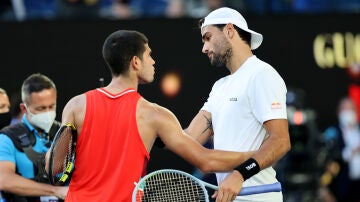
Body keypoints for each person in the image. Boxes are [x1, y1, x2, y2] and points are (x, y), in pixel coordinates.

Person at [51, 29, 262, 202]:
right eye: (149, 55)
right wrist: (259, 156)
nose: (153, 61)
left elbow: (54, 167)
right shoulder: (155, 115)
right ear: (135, 62)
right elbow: (206, 160)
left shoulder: (75, 105)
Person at [185, 7, 291, 201]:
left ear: (229, 30)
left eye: (208, 38)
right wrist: (147, 122)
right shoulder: (220, 86)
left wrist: (240, 174)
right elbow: (187, 138)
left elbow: (281, 141)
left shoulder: (262, 75)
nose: (204, 48)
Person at [0, 74, 68, 202]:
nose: (48, 112)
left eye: (51, 106)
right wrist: (55, 191)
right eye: (41, 108)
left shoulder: (65, 133)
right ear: (24, 108)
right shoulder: (7, 137)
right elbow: (4, 180)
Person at [320, 97, 360, 202]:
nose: (347, 113)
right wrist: (352, 151)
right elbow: (329, 158)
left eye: (350, 109)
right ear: (338, 112)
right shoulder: (332, 133)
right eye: (344, 109)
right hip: (341, 186)